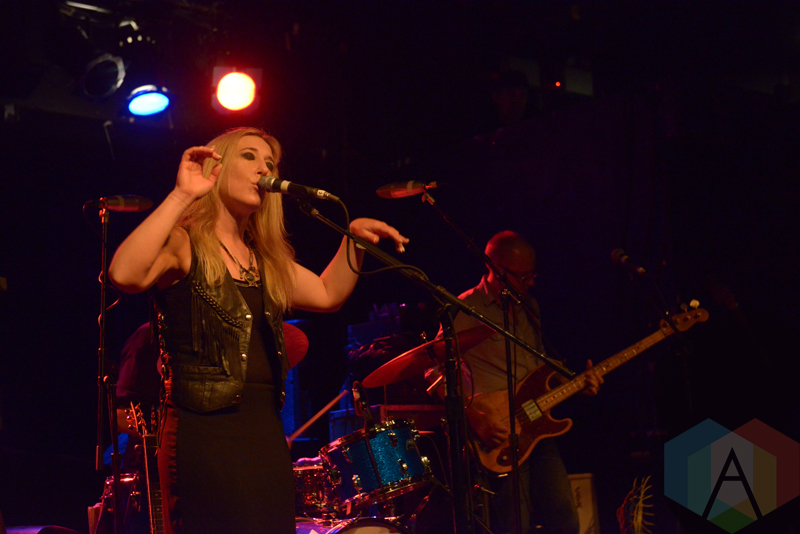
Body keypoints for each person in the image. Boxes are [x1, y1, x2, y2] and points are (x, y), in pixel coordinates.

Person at [108, 126, 408, 534]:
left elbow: (327, 294)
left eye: (270, 163)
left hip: (264, 430)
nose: (264, 169)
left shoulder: (263, 261)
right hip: (204, 431)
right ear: (215, 168)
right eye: (249, 156)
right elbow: (125, 274)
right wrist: (181, 196)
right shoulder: (184, 243)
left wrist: (353, 239)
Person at [428, 230, 602, 534]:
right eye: (522, 277)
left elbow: (539, 368)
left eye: (532, 275)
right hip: (499, 433)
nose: (530, 283)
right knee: (513, 524)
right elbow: (433, 372)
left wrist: (574, 383)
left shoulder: (529, 307)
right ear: (495, 269)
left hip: (538, 424)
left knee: (564, 519)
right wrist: (473, 414)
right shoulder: (466, 308)